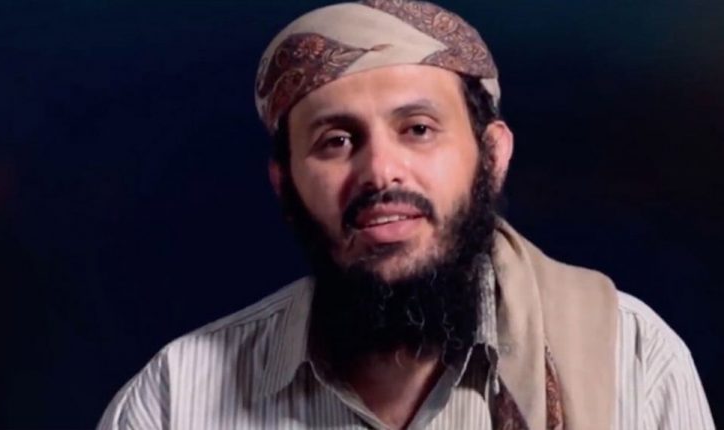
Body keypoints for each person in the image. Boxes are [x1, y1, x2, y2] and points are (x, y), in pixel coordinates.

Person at [97, 1, 714, 429]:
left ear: (491, 156)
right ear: (285, 184)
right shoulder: (176, 398)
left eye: (418, 129)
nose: (380, 172)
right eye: (337, 141)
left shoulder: (635, 360)